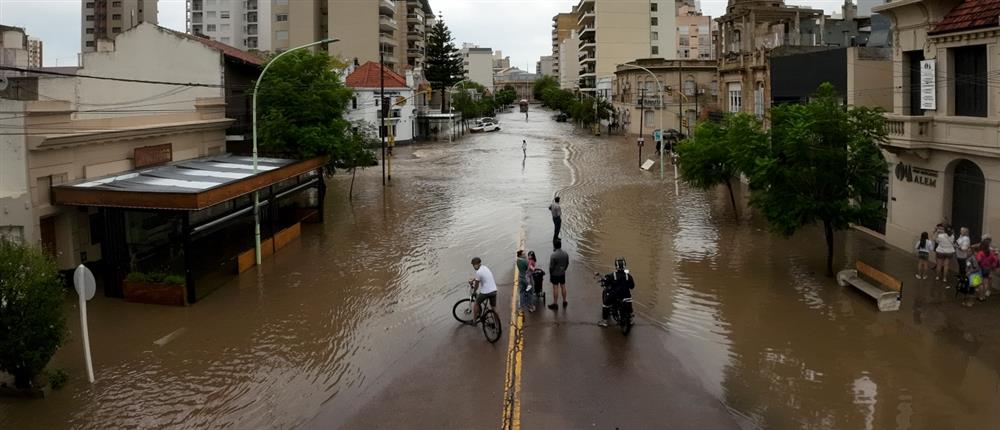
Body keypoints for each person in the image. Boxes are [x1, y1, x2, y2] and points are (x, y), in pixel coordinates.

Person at [599, 257, 635, 328]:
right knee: (629, 303)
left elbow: (606, 283)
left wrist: (604, 282)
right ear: (625, 266)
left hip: (615, 295)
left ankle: (604, 321)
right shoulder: (628, 276)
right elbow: (632, 286)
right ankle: (631, 319)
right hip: (626, 295)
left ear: (616, 266)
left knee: (605, 304)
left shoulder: (613, 275)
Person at [469, 257, 498, 322]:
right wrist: (474, 279)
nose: (473, 267)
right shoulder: (485, 267)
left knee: (476, 303)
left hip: (486, 292)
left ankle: (474, 320)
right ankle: (497, 322)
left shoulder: (478, 272)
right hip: (494, 290)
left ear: (477, 264)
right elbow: (480, 276)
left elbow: (476, 285)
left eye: (473, 265)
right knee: (493, 308)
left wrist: (474, 292)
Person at [548, 239, 569, 310]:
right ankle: (564, 301)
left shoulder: (553, 255)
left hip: (555, 274)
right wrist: (563, 269)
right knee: (563, 286)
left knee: (555, 288)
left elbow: (551, 267)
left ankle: (555, 303)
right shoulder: (565, 253)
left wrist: (551, 275)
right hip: (562, 273)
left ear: (554, 246)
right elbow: (567, 263)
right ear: (560, 245)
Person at [976, 237, 998, 302]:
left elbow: (978, 260)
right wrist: (992, 266)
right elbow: (995, 260)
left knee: (979, 284)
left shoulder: (980, 253)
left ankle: (980, 296)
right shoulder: (990, 253)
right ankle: (983, 296)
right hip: (987, 269)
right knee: (985, 283)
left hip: (980, 269)